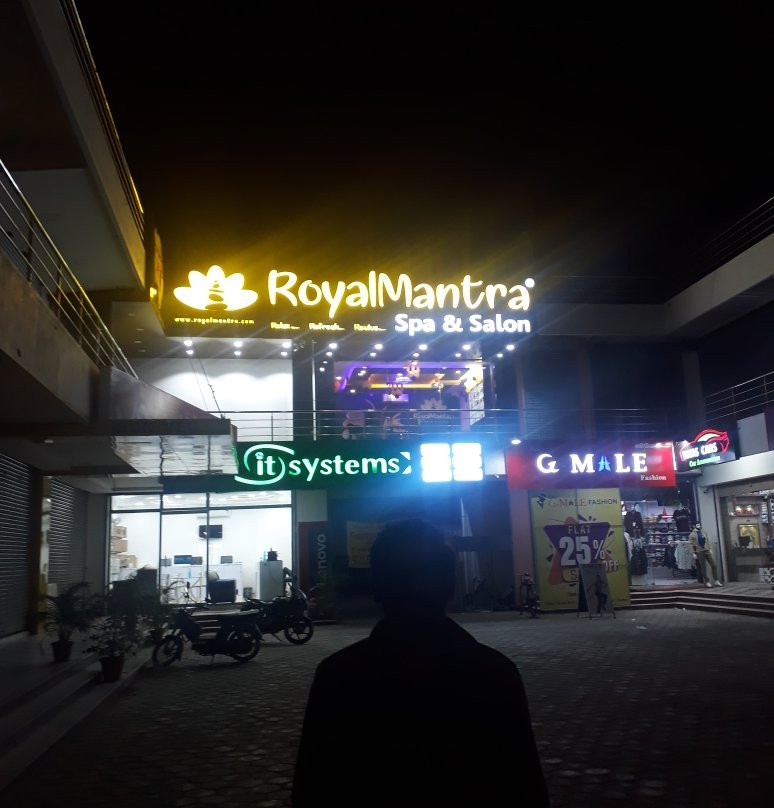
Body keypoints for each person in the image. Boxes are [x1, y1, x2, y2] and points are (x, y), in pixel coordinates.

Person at [292, 518, 550, 808]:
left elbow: (311, 789)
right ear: (450, 585)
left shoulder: (338, 678)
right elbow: (526, 787)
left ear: (376, 586)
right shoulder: (495, 675)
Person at [689, 522, 723, 588]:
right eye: (697, 525)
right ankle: (707, 581)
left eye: (699, 525)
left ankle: (716, 580)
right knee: (703, 567)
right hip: (699, 552)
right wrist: (693, 553)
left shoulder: (704, 532)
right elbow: (691, 544)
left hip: (707, 550)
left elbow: (707, 541)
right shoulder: (692, 534)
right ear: (694, 526)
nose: (699, 526)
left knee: (713, 565)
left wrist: (710, 548)